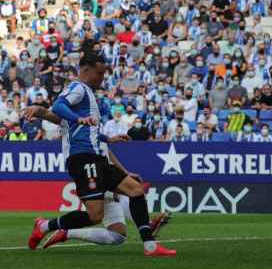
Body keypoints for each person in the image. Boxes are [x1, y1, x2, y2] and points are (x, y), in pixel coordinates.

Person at [25, 54, 175, 256]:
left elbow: (83, 127)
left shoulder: (87, 94)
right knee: (95, 216)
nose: (102, 77)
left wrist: (107, 139)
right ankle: (44, 227)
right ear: (86, 70)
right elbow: (60, 106)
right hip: (83, 159)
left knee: (136, 190)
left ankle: (151, 246)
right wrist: (77, 118)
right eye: (100, 73)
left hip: (97, 157)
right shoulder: (77, 87)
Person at [23, 105, 172, 247]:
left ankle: (64, 232)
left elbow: (107, 152)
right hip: (92, 174)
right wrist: (37, 110)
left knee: (118, 235)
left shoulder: (93, 128)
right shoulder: (72, 125)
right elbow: (51, 113)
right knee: (125, 194)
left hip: (105, 172)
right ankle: (148, 225)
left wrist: (125, 171)